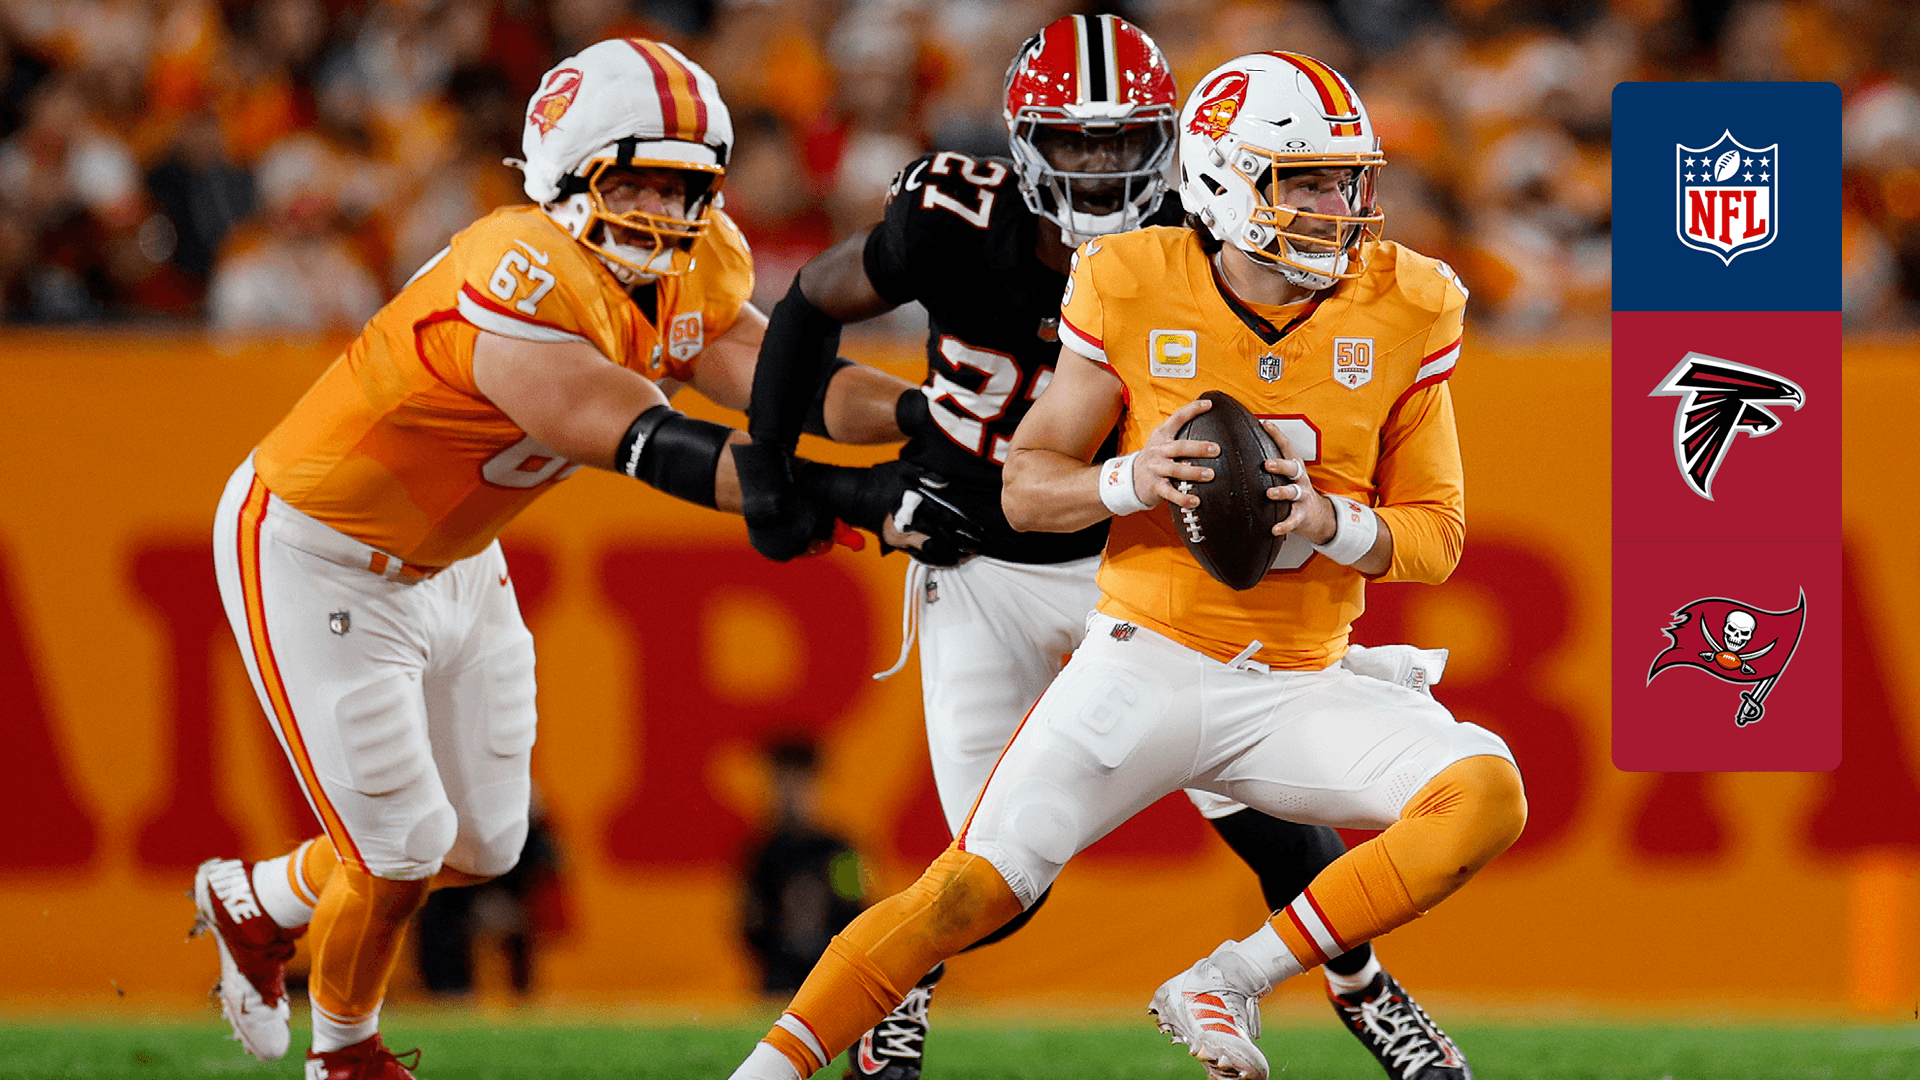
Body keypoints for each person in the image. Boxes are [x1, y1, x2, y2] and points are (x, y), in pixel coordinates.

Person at [727, 50, 1528, 1080]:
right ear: (1225, 182)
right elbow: (1028, 486)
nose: (1340, 207)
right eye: (1308, 182)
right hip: (1142, 656)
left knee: (1486, 792)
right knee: (974, 891)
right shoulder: (1133, 278)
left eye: (1346, 180)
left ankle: (1229, 979)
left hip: (1297, 678)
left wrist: (1332, 520)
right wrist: (1130, 479)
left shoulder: (1408, 300)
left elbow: (1437, 536)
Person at [190, 38, 914, 1080]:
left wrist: (932, 418)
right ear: (567, 173)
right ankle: (344, 1054)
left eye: (682, 188)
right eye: (636, 183)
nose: (662, 213)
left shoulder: (694, 264)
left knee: (484, 845)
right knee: (399, 848)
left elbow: (787, 384)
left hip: (456, 559)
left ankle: (256, 901)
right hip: (320, 550)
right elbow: (648, 439)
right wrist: (863, 499)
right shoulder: (517, 269)